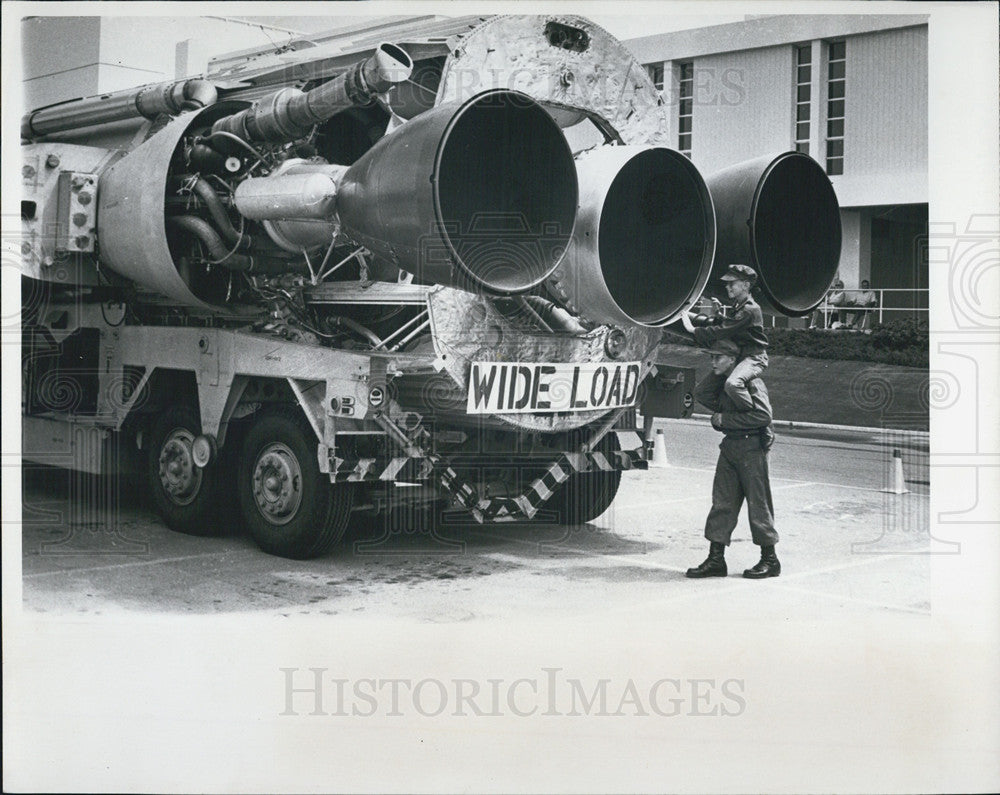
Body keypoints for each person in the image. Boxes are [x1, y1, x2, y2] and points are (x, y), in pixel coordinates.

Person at [686, 338, 780, 580]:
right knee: (722, 504)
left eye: (718, 357)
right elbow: (701, 393)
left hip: (751, 448)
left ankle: (770, 560)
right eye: (711, 357)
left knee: (758, 505)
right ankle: (716, 559)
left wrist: (724, 421)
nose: (712, 361)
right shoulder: (728, 384)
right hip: (730, 447)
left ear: (732, 359)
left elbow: (763, 416)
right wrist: (720, 374)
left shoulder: (751, 383)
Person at [683, 263, 768, 411]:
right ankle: (730, 414)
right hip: (737, 356)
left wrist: (693, 330)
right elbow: (732, 325)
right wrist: (719, 315)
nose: (727, 287)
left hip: (753, 358)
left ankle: (751, 416)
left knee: (733, 384)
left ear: (746, 285)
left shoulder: (750, 309)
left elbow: (723, 331)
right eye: (727, 284)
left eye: (732, 283)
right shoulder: (739, 306)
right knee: (701, 393)